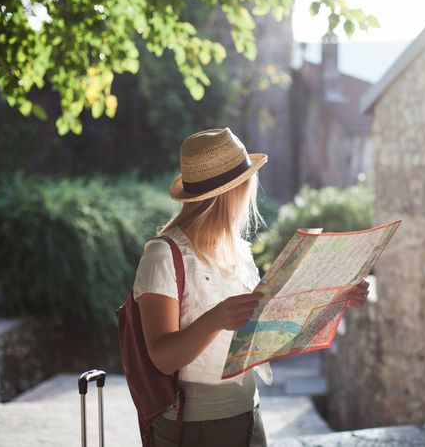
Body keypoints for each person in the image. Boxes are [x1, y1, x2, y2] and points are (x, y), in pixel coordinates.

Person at [132, 127, 370, 447]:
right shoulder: (163, 254)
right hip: (194, 428)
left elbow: (266, 330)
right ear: (230, 192)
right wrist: (215, 319)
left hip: (249, 414)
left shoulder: (239, 250)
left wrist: (333, 298)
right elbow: (161, 357)